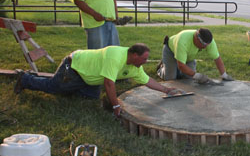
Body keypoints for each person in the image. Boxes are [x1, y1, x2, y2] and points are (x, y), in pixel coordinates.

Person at [14, 44, 181, 117]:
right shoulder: (116, 56)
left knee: (92, 98)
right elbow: (109, 83)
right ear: (134, 55)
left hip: (89, 78)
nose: (146, 62)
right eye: (144, 59)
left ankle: (73, 88)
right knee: (53, 87)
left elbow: (148, 81)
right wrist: (116, 105)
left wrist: (166, 90)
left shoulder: (134, 67)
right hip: (76, 67)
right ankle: (25, 78)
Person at [157, 28, 234, 83]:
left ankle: (176, 71)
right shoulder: (183, 40)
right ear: (196, 38)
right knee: (171, 79)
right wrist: (197, 75)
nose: (205, 47)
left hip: (188, 57)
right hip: (171, 52)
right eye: (203, 45)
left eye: (207, 45)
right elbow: (181, 65)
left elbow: (217, 58)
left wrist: (224, 74)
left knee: (189, 78)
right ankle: (161, 68)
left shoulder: (208, 41)